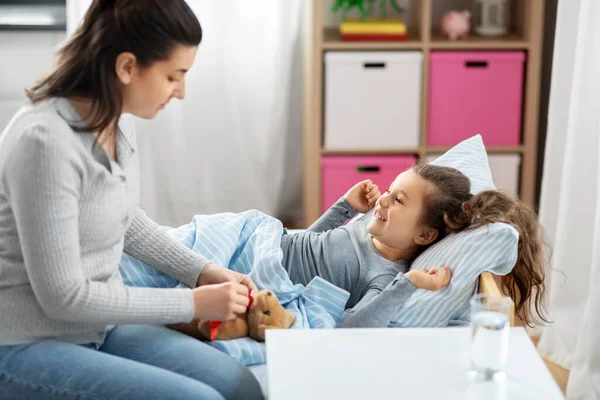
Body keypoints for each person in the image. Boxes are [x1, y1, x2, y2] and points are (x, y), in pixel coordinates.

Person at [0, 1, 263, 399]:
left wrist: (201, 270)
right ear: (126, 67)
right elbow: (65, 297)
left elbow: (123, 218)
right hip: (24, 341)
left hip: (98, 329)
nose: (181, 92)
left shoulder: (116, 118)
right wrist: (192, 303)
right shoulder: (44, 142)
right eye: (174, 76)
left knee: (238, 384)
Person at [281, 163, 548, 327]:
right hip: (268, 241)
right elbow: (304, 244)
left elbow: (352, 328)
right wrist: (345, 208)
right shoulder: (369, 224)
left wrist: (408, 284)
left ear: (424, 236)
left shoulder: (383, 276)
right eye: (389, 190)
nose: (382, 200)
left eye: (398, 200)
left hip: (264, 270)